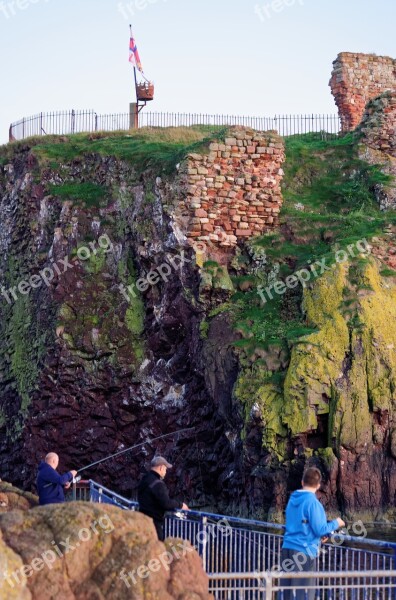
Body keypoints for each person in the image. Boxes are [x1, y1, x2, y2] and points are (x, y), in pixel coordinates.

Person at [280, 467, 345, 600]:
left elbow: (300, 523)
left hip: (287, 548)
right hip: (304, 552)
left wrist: (319, 535)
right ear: (318, 485)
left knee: (287, 592)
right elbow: (320, 529)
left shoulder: (292, 499)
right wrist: (336, 523)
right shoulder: (313, 503)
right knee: (303, 594)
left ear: (302, 482)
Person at [138, 456, 189, 541]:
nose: (165, 472)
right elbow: (166, 503)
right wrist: (181, 505)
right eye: (165, 469)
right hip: (154, 523)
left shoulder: (144, 479)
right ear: (161, 467)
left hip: (142, 519)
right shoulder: (158, 484)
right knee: (157, 548)